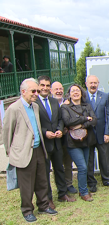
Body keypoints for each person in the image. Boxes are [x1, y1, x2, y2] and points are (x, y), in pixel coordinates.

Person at [3, 78, 58, 222]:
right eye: (33, 91)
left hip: (39, 149)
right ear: (23, 91)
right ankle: (27, 210)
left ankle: (43, 205)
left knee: (42, 180)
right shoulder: (14, 109)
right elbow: (7, 133)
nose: (36, 94)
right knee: (26, 184)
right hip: (23, 153)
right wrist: (12, 153)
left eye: (37, 91)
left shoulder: (35, 107)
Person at [36, 76, 76, 209]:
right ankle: (48, 199)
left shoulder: (54, 102)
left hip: (57, 142)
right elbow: (33, 123)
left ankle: (62, 194)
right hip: (44, 144)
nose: (45, 88)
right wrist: (44, 132)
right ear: (38, 86)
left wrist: (59, 130)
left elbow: (59, 119)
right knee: (45, 172)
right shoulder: (35, 102)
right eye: (43, 85)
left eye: (47, 85)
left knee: (59, 169)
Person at [61, 84, 97, 201]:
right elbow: (68, 121)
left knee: (85, 167)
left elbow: (94, 120)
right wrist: (85, 119)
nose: (75, 92)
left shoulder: (87, 106)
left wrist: (81, 125)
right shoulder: (65, 107)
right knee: (82, 167)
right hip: (72, 143)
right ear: (69, 94)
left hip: (86, 141)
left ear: (81, 93)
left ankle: (83, 189)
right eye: (73, 91)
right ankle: (84, 192)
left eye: (78, 90)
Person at [85, 75, 109, 192]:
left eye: (95, 83)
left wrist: (108, 133)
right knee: (89, 159)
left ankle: (107, 179)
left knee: (105, 157)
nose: (93, 85)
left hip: (102, 133)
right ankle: (91, 182)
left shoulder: (104, 96)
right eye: (91, 83)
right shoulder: (82, 97)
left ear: (98, 84)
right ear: (86, 83)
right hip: (87, 134)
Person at [51, 81, 78, 194]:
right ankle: (60, 186)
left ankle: (69, 183)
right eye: (56, 89)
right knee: (57, 164)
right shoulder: (50, 103)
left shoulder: (68, 103)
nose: (59, 91)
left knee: (68, 162)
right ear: (51, 91)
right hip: (54, 138)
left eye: (60, 89)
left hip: (67, 138)